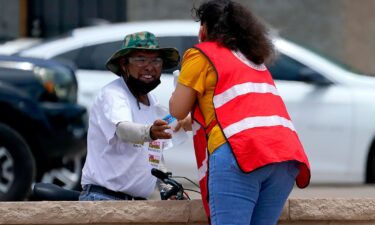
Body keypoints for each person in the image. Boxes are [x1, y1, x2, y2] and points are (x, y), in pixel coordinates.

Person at [169, 0, 311, 224]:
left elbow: (177, 109)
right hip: (284, 157)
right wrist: (189, 122)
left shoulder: (201, 54)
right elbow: (235, 111)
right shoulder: (252, 57)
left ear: (204, 28)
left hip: (241, 153)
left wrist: (180, 85)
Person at [79, 31, 180, 201]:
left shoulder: (151, 100)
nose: (149, 66)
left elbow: (153, 153)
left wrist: (166, 187)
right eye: (141, 60)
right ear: (124, 64)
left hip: (135, 203)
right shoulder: (114, 94)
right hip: (104, 199)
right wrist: (150, 132)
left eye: (156, 60)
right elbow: (124, 130)